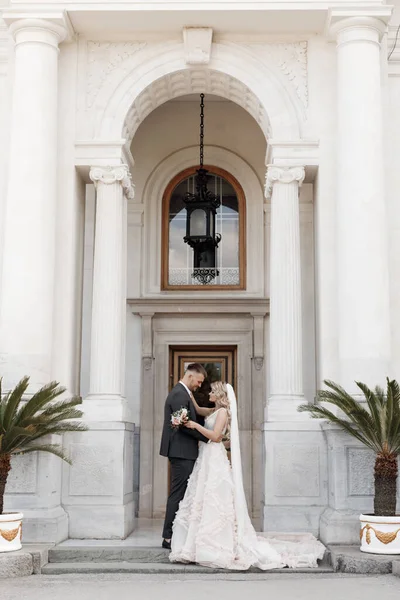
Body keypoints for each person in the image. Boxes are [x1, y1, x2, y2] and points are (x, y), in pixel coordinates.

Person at [169, 381, 325, 570]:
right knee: (201, 496)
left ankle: (214, 542)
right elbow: (200, 409)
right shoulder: (213, 411)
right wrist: (189, 396)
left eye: (212, 391)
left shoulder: (223, 413)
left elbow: (216, 437)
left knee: (214, 496)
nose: (208, 392)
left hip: (213, 457)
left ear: (219, 395)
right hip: (206, 457)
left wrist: (194, 426)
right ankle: (196, 542)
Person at [160, 363, 222, 550]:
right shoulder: (179, 394)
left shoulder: (185, 393)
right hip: (181, 452)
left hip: (184, 451)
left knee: (182, 493)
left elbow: (194, 417)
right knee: (177, 493)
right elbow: (183, 425)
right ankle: (168, 537)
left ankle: (176, 533)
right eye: (199, 381)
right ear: (191, 376)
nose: (200, 385)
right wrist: (208, 438)